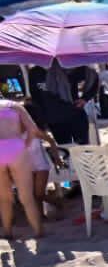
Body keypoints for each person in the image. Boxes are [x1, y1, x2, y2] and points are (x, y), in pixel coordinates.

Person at [0, 99, 53, 240]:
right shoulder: (14, 106)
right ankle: (38, 230)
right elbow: (33, 129)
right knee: (27, 196)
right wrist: (25, 144)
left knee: (4, 198)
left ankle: (7, 231)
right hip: (16, 147)